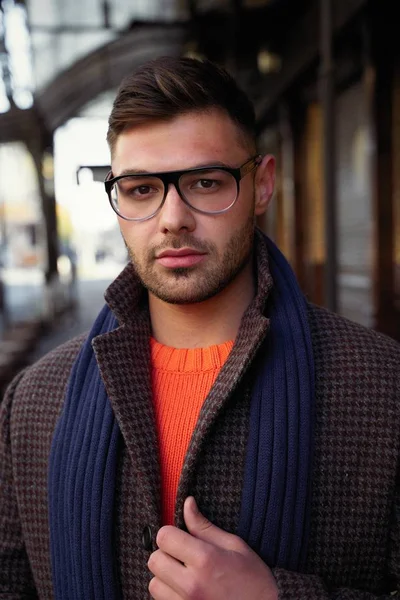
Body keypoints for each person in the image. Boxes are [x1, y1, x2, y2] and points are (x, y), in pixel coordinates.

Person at [0, 56, 399, 600]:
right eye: (141, 189)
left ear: (261, 185)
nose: (172, 218)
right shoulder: (32, 403)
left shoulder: (382, 387)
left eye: (205, 182)